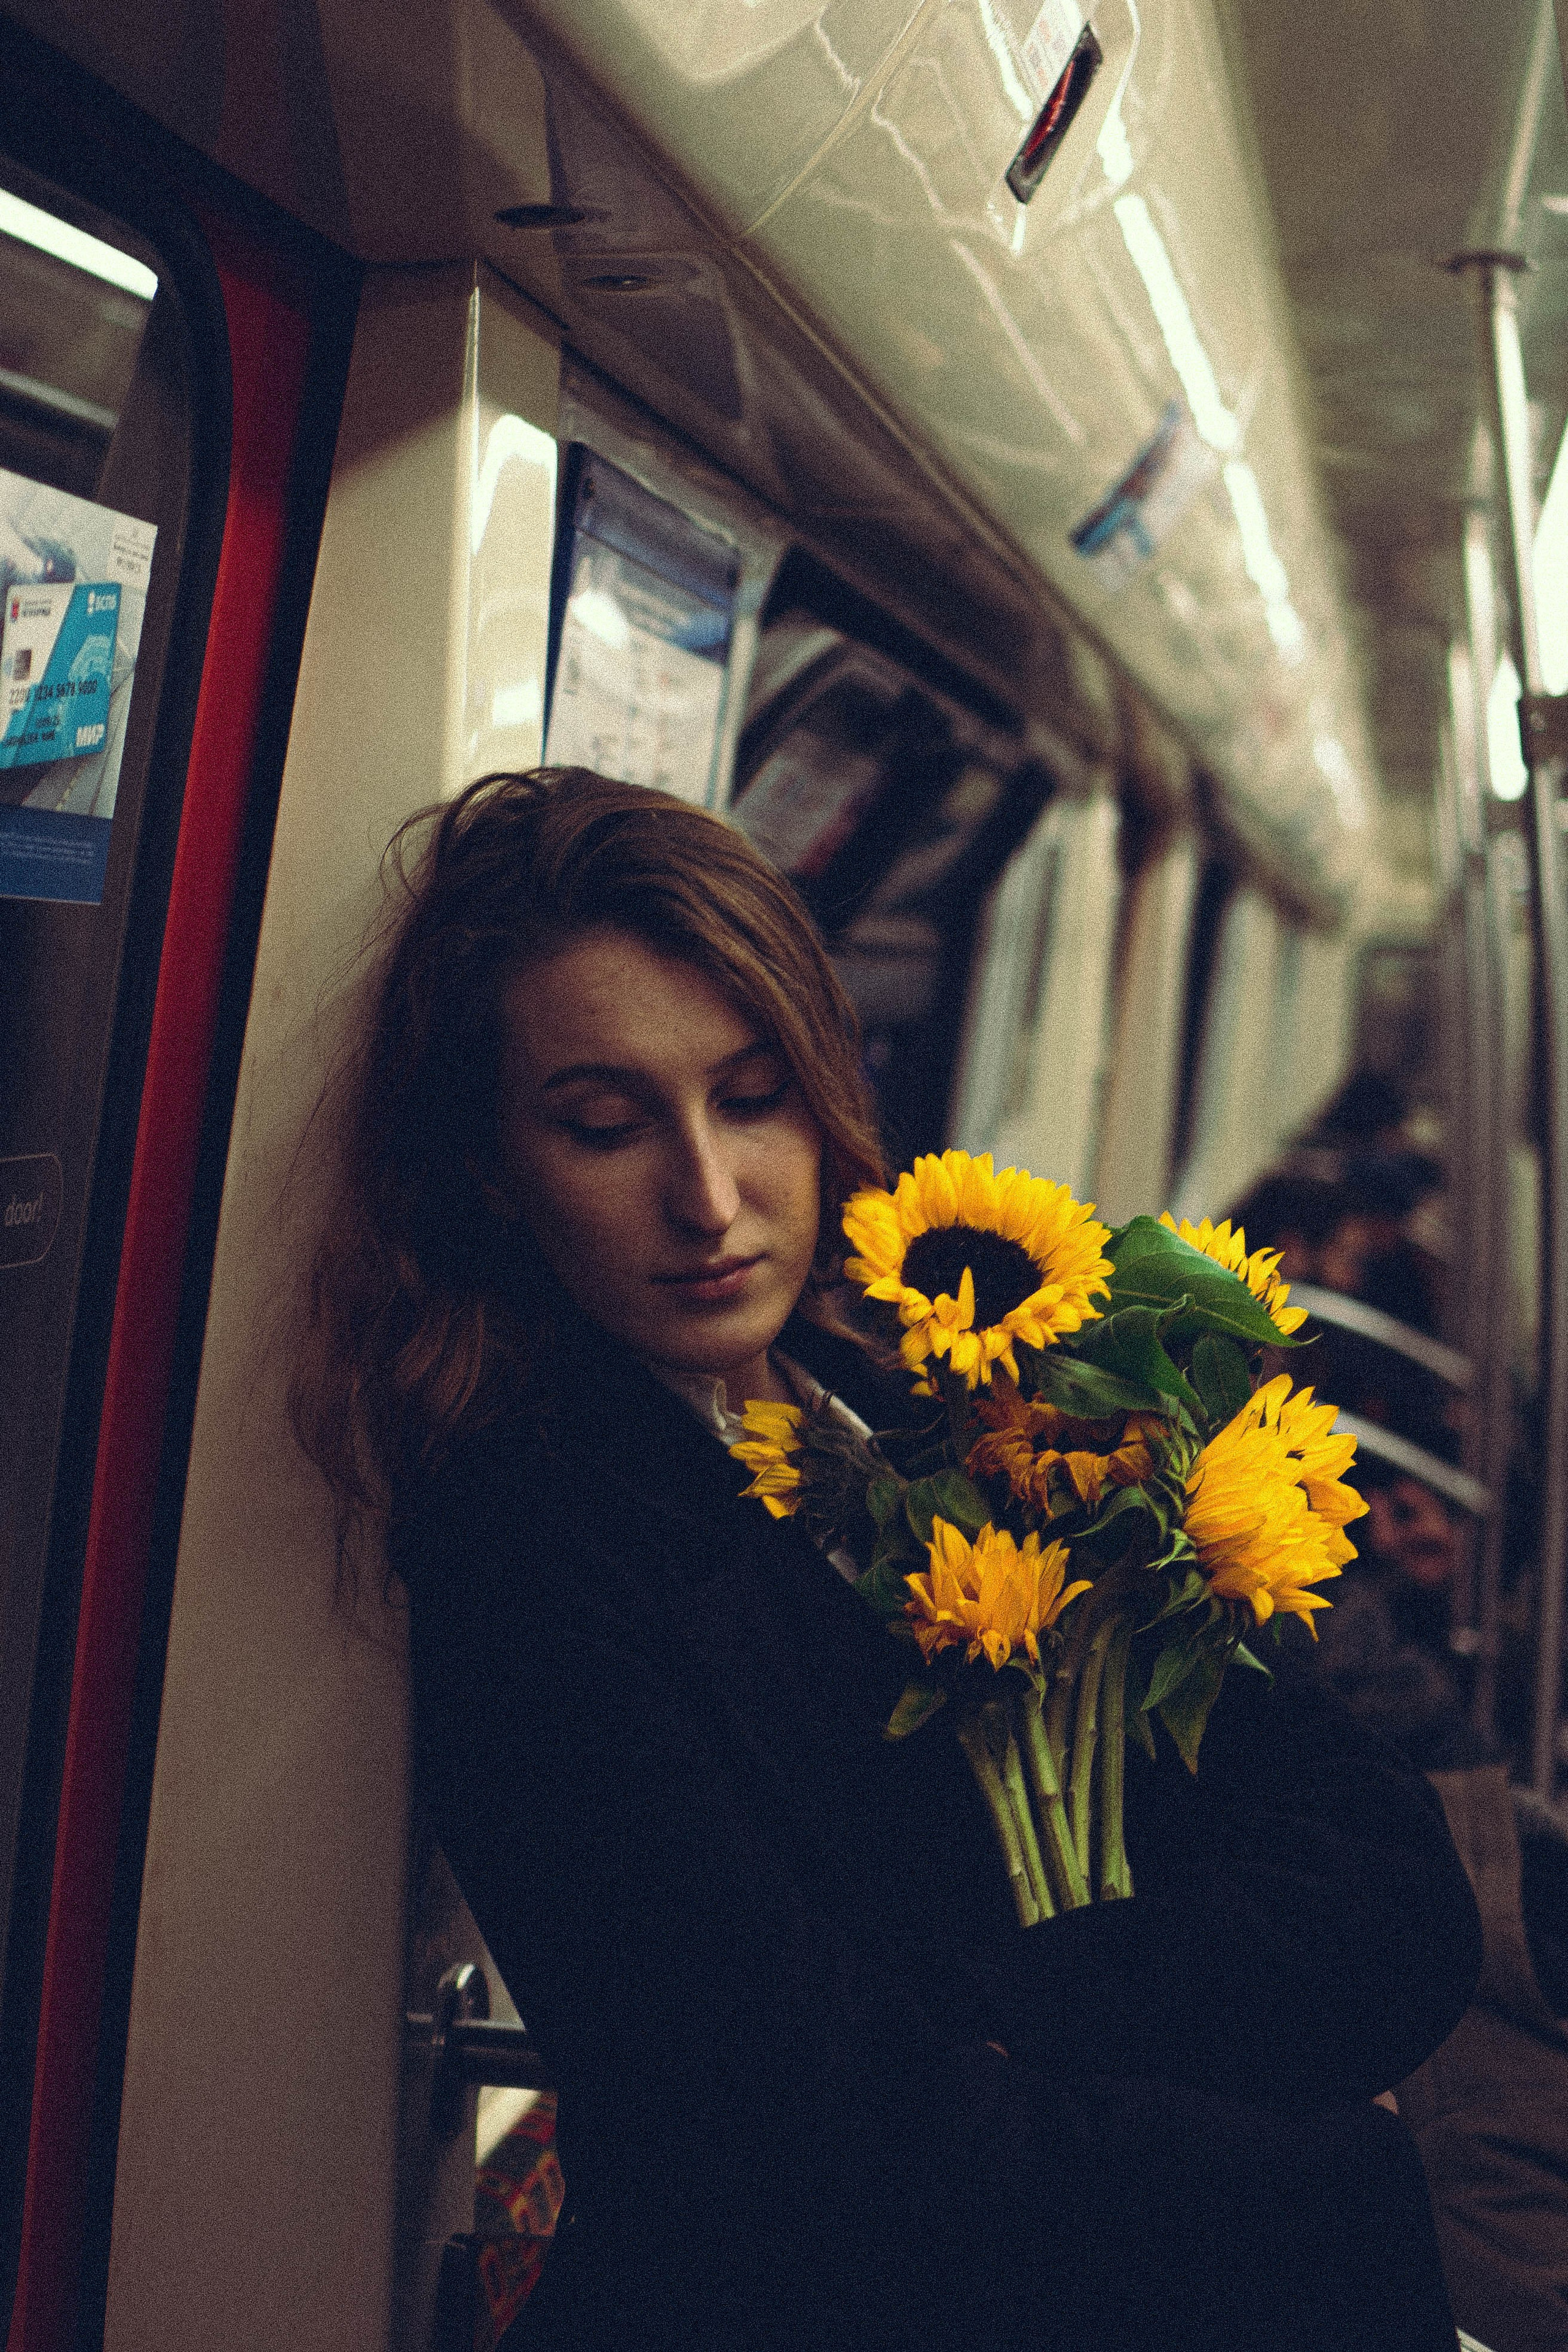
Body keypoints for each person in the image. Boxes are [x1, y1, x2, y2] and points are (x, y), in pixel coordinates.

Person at [293, 769, 1482, 2352]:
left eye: (752, 1096)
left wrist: (1007, 2014)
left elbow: (1393, 1879)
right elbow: (816, 2136)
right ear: (494, 1171)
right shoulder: (531, 1551)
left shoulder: (932, 1406)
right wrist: (1318, 2133)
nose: (709, 1200)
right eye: (603, 1123)